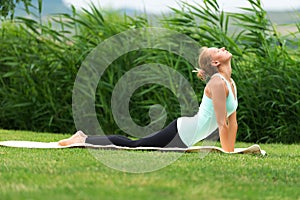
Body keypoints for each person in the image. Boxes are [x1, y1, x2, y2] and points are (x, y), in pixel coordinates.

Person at [58, 47, 238, 152]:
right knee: (134, 145)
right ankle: (82, 139)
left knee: (135, 143)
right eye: (218, 50)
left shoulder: (231, 84)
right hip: (182, 132)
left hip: (186, 135)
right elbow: (222, 124)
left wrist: (229, 151)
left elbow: (232, 122)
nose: (222, 48)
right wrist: (228, 154)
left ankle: (84, 137)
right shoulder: (217, 83)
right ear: (215, 63)